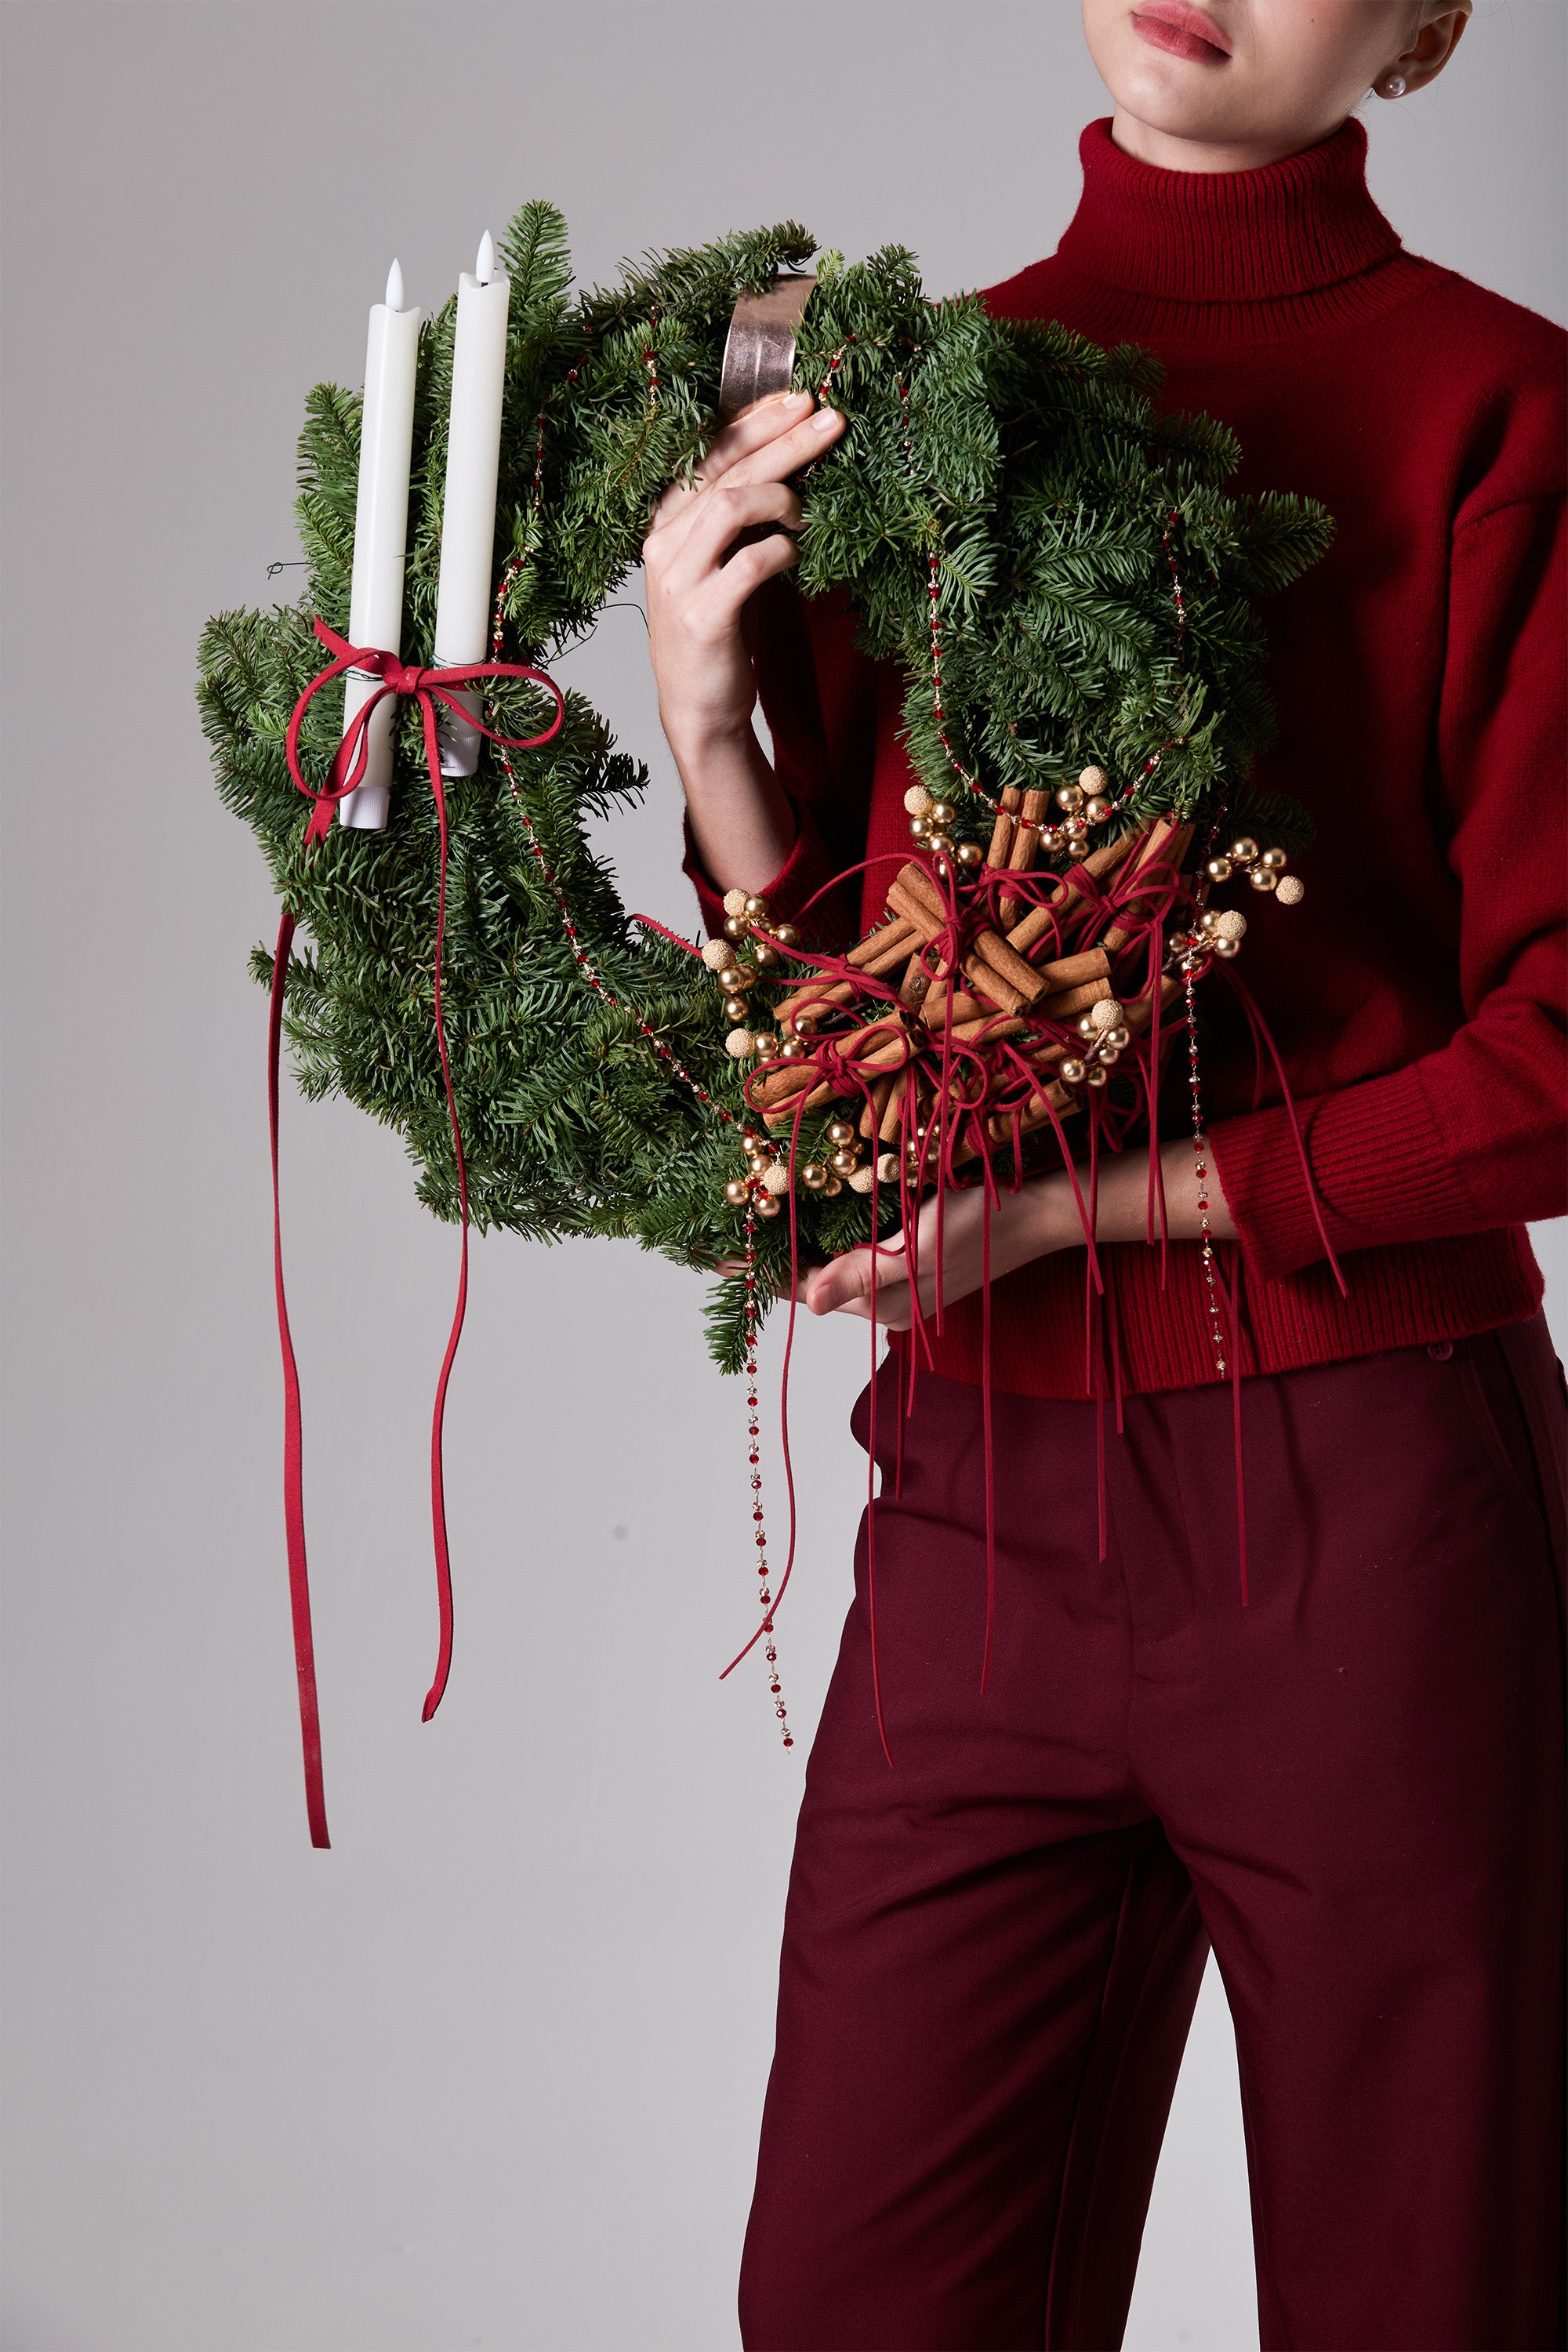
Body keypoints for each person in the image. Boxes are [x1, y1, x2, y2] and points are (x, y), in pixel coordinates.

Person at [643, 2, 1566, 2343]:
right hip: (979, 1507)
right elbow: (865, 1042)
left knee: (1426, 2297)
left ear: (1428, 22)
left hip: (1372, 1512)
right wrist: (713, 723)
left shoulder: (1501, 410)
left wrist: (1078, 1213)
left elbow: (1560, 1057)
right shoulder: (923, 409)